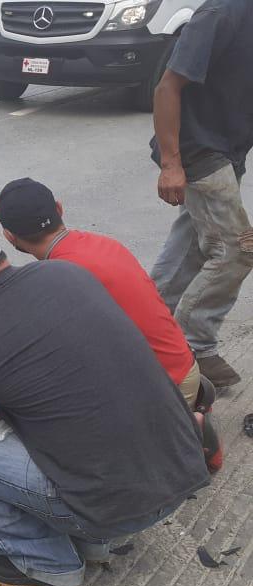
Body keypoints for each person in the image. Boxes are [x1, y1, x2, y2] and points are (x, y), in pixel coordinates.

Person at [0, 219, 208, 586]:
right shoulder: (66, 275)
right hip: (176, 472)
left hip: (120, 505)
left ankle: (48, 563)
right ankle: (92, 541)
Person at [0, 178, 202, 406]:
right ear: (59, 209)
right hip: (180, 364)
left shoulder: (54, 277)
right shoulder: (104, 244)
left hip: (163, 386)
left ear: (9, 236)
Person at [149, 0, 253, 389]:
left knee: (189, 251)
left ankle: (142, 329)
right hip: (197, 149)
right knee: (238, 248)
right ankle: (192, 346)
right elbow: (167, 87)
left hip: (228, 149)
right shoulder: (222, 13)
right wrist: (172, 164)